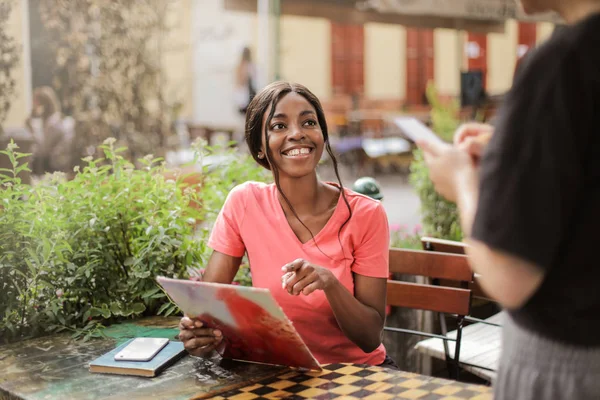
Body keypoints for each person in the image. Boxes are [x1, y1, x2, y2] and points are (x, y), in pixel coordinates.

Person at [419, 1, 600, 398]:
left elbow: (507, 275)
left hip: (569, 368)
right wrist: (514, 154)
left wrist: (461, 181)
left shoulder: (565, 61)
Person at [179, 81, 397, 368]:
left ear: (322, 136)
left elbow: (370, 336)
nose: (297, 133)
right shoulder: (244, 202)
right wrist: (201, 337)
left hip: (352, 376)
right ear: (259, 148)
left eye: (309, 122)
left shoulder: (366, 213)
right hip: (276, 372)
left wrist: (329, 282)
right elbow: (208, 308)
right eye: (279, 126)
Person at [25, 86, 74, 175]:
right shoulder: (47, 120)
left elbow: (44, 149)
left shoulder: (53, 122)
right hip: (52, 161)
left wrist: (31, 129)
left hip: (54, 164)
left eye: (36, 102)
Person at [234, 47, 257, 115]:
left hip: (249, 93)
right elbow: (241, 80)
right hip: (245, 94)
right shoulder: (243, 66)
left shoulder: (249, 66)